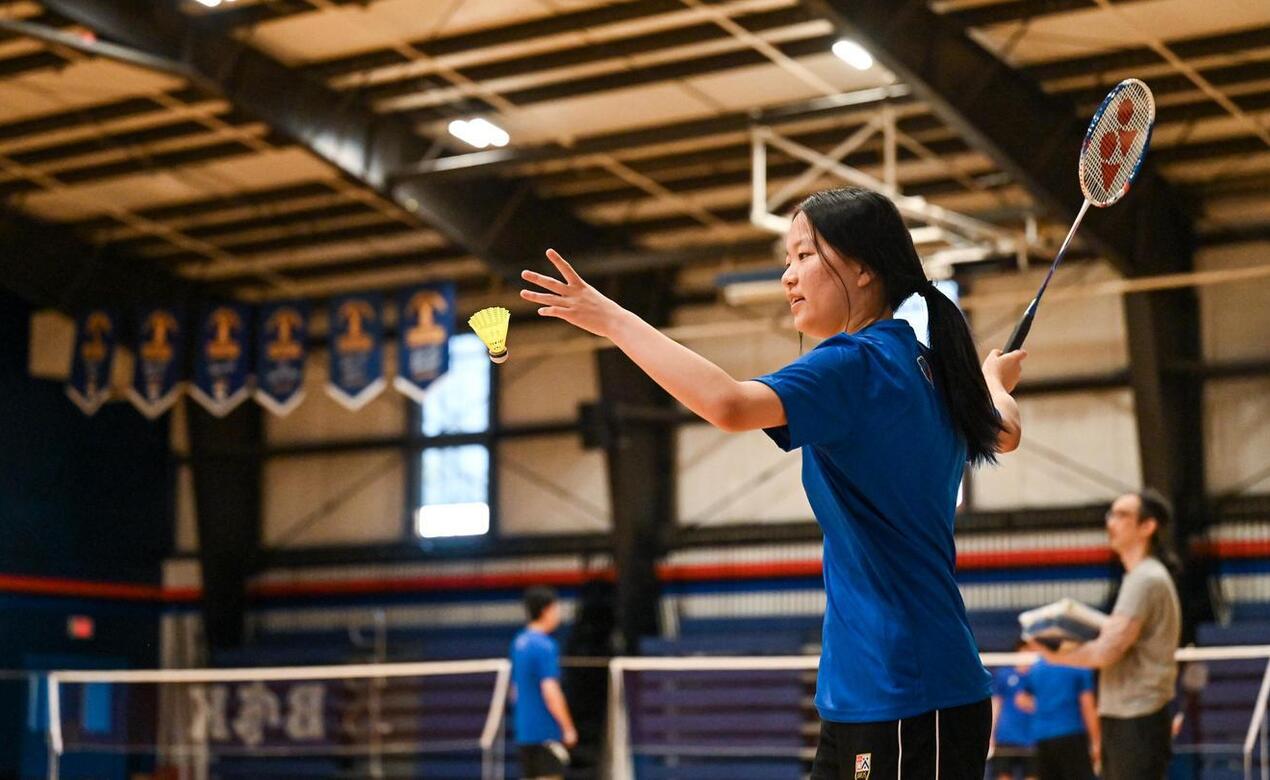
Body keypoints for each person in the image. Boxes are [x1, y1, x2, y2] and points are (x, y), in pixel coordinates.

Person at [521, 186, 1028, 778]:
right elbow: (1005, 432)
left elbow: (728, 405)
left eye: (805, 256)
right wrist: (992, 381)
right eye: (787, 259)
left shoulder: (856, 364)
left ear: (863, 269)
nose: (788, 276)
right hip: (864, 692)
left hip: (909, 690)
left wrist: (613, 319)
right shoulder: (929, 368)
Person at [1037, 489, 1181, 779]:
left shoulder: (1145, 579)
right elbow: (1117, 637)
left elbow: (1107, 651)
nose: (1111, 522)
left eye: (1122, 515)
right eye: (1110, 514)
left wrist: (1054, 654)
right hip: (1127, 715)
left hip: (1137, 717)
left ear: (1147, 526)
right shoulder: (1140, 577)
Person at [510, 586, 577, 780]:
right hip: (545, 732)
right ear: (545, 610)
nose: (558, 614)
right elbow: (550, 690)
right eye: (556, 609)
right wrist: (567, 727)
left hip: (524, 733)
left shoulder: (518, 642)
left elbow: (514, 691)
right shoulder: (544, 645)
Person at [1016, 655, 1099, 780]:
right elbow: (1087, 705)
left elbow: (1021, 699)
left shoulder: (1038, 666)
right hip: (1071, 733)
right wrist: (1096, 741)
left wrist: (1044, 707)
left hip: (1042, 737)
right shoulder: (1078, 664)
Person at [990, 641, 1037, 780]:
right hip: (1006, 737)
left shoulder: (1039, 675)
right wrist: (991, 734)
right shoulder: (1004, 675)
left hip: (1032, 738)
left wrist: (1033, 704)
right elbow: (996, 704)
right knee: (1003, 775)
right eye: (1025, 652)